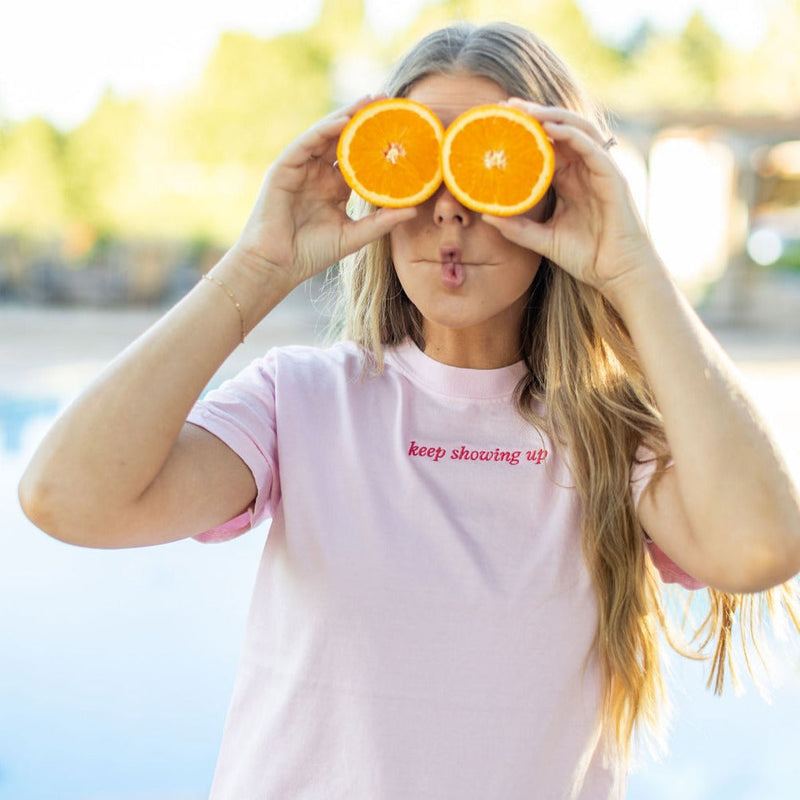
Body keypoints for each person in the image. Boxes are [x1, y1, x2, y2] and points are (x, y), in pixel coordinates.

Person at [18, 20, 800, 800]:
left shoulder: (613, 441)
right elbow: (66, 498)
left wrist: (632, 267)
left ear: (557, 189)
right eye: (421, 167)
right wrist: (257, 265)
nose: (449, 212)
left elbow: (763, 546)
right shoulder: (298, 401)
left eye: (487, 167)